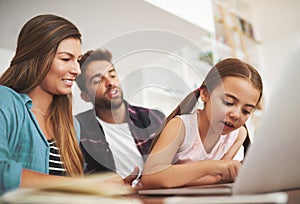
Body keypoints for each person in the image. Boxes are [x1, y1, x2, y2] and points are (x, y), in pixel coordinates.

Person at [0, 14, 123, 195]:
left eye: (77, 60)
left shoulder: (72, 126)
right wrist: (89, 185)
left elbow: (69, 189)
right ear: (37, 59)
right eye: (66, 59)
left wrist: (106, 188)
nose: (76, 70)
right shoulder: (6, 100)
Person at [141, 58, 263, 189]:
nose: (236, 115)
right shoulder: (180, 127)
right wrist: (210, 167)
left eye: (246, 111)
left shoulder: (238, 134)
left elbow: (216, 179)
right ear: (205, 94)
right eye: (228, 102)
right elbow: (150, 177)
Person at [75, 49, 165, 181]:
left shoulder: (154, 118)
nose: (110, 83)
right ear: (86, 96)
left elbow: (173, 165)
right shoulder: (78, 129)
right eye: (98, 81)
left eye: (112, 75)